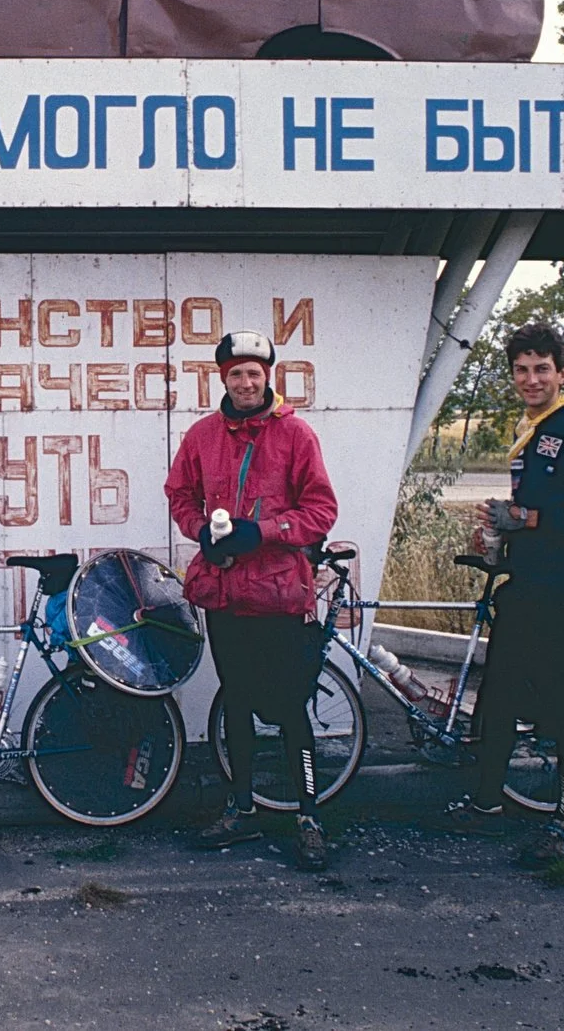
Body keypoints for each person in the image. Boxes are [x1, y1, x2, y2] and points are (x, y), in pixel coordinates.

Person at [449, 323, 564, 863]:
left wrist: (530, 516)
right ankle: (486, 805)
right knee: (499, 695)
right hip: (525, 585)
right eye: (522, 370)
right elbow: (535, 519)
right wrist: (499, 529)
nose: (531, 379)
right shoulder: (531, 434)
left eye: (541, 369)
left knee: (560, 700)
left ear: (562, 372)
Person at [166, 331, 339, 870]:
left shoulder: (296, 434)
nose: (246, 383)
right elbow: (179, 493)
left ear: (269, 377)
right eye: (236, 374)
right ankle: (240, 809)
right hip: (224, 593)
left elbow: (321, 510)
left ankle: (307, 817)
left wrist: (262, 532)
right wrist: (202, 531)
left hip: (280, 593)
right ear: (223, 379)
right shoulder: (201, 435)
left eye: (254, 373)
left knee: (289, 708)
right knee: (236, 702)